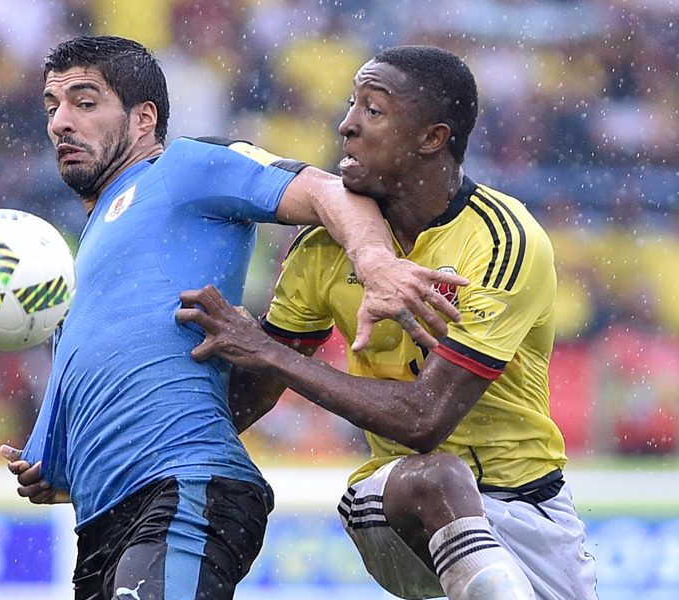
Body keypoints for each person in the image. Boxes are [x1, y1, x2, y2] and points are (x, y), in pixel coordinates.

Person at [0, 35, 467, 600]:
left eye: (84, 102)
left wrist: (376, 263)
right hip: (103, 519)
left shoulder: (183, 167)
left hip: (184, 488)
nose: (60, 122)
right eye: (52, 107)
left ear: (144, 118)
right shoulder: (91, 243)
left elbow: (331, 192)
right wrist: (55, 461)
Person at [176, 46, 598, 600]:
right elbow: (244, 404)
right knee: (439, 477)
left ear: (431, 138)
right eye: (351, 104)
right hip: (398, 502)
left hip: (532, 507)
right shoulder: (322, 248)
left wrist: (267, 352)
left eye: (372, 110)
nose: (347, 125)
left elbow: (425, 418)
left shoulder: (502, 241)